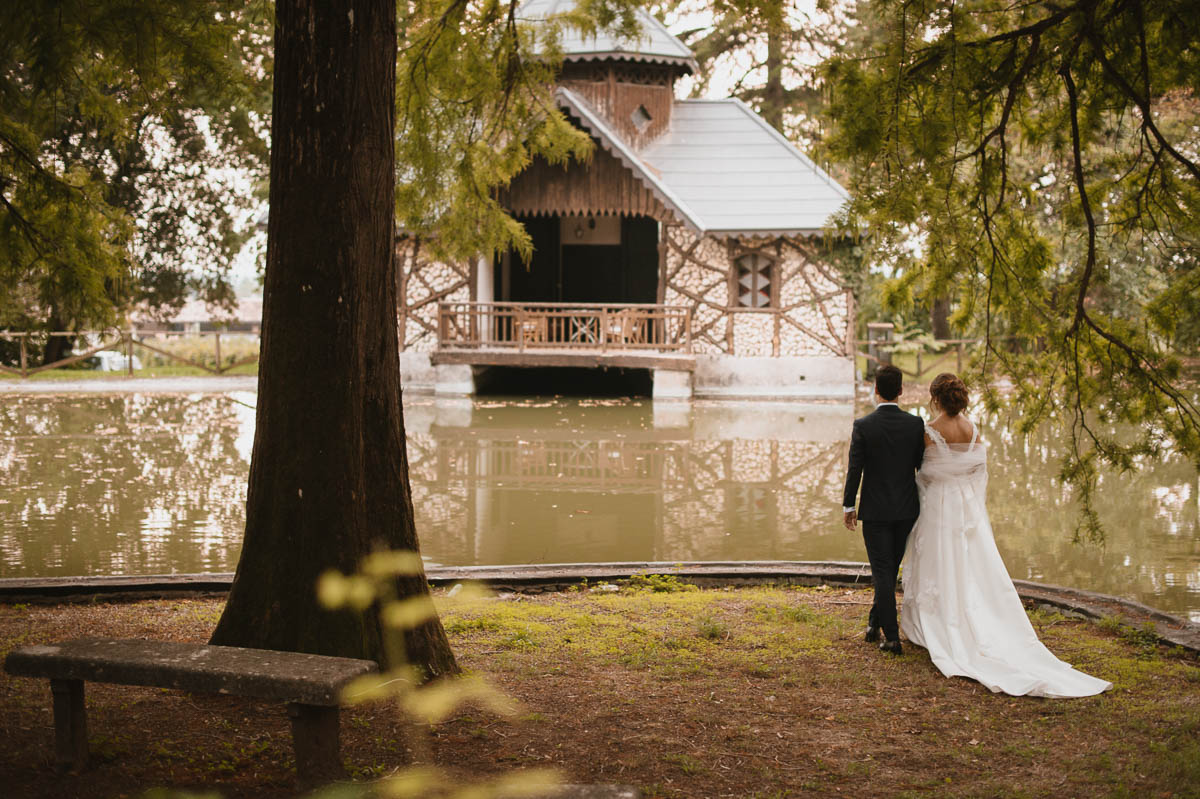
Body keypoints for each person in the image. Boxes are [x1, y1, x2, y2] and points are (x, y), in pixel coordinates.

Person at [901, 373, 1111, 697]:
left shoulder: (929, 430)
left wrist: (933, 482)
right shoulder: (972, 430)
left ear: (935, 398)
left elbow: (926, 472)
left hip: (940, 505)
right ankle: (964, 615)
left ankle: (941, 623)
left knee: (941, 560)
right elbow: (977, 469)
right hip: (965, 506)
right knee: (968, 562)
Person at [841, 364, 926, 654]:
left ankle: (891, 638)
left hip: (875, 512)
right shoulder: (916, 425)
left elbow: (855, 471)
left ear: (876, 389)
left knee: (883, 572)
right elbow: (921, 467)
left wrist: (848, 506)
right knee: (888, 570)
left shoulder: (863, 426)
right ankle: (873, 624)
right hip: (906, 510)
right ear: (901, 391)